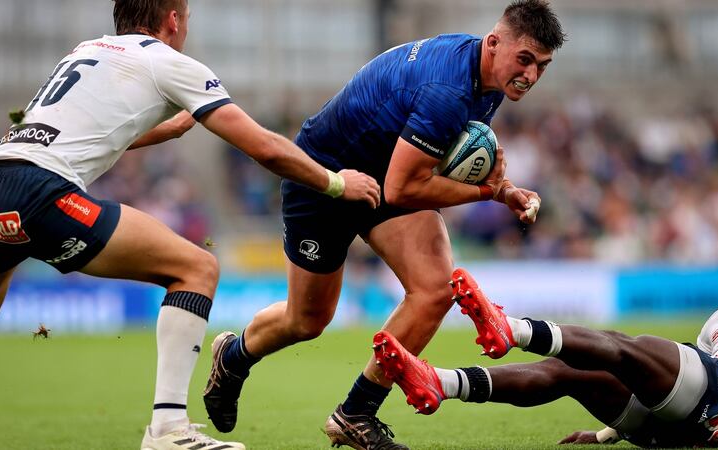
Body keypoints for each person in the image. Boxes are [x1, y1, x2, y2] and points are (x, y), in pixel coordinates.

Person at [0, 1, 381, 450]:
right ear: (173, 20)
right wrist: (336, 183)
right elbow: (264, 148)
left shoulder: (84, 51)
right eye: (186, 18)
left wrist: (162, 132)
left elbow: (71, 132)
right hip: (39, 192)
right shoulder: (167, 60)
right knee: (197, 268)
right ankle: (168, 431)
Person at [203, 1, 565, 448]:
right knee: (308, 320)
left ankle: (356, 412)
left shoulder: (489, 78)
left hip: (382, 177)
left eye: (541, 67)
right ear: (493, 43)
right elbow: (405, 189)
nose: (530, 75)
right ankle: (233, 356)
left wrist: (505, 188)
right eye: (524, 60)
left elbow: (439, 163)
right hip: (324, 179)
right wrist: (488, 192)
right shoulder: (447, 91)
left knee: (435, 288)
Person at [371, 267, 718, 448]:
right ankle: (443, 383)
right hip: (673, 425)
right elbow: (670, 384)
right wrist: (606, 435)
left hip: (712, 403)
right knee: (568, 370)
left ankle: (513, 330)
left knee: (623, 348)